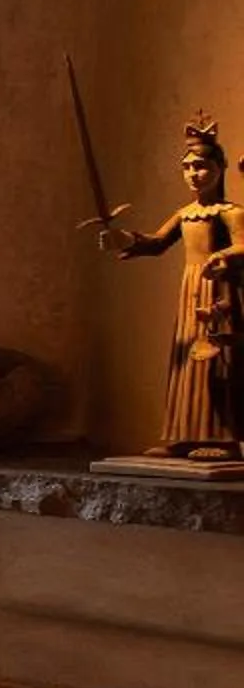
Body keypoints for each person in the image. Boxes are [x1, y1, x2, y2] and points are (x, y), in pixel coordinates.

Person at [98, 115, 244, 457]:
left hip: (218, 291)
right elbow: (156, 242)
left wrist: (225, 255)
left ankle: (222, 438)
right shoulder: (185, 213)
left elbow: (243, 245)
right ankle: (184, 436)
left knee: (218, 362)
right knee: (186, 363)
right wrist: (122, 238)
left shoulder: (232, 212)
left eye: (202, 166)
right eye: (188, 167)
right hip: (190, 292)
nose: (194, 173)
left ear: (220, 168)